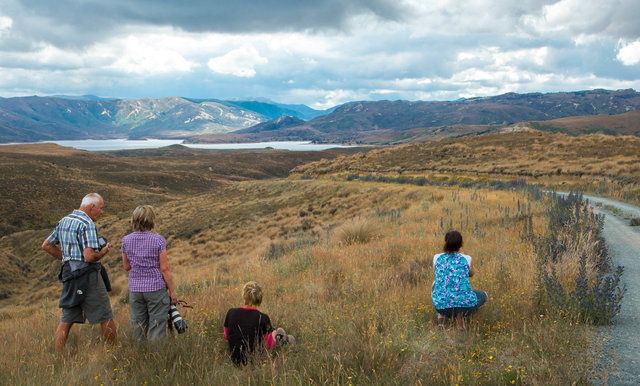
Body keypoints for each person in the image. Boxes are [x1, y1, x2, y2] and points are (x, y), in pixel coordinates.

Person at [41, 193, 118, 353]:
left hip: (69, 274)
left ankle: (58, 356)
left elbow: (47, 245)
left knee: (67, 318)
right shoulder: (87, 223)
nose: (102, 212)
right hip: (89, 276)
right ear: (92, 207)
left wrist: (67, 258)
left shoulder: (64, 221)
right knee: (105, 315)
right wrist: (103, 252)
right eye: (101, 208)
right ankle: (115, 353)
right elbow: (89, 256)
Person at [121, 205, 178, 342]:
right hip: (155, 288)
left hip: (135, 289)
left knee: (137, 326)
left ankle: (138, 356)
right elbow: (164, 269)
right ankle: (157, 359)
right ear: (151, 220)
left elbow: (126, 266)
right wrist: (172, 292)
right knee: (157, 325)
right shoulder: (158, 240)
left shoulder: (126, 240)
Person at [224, 281, 295, 366]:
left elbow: (227, 337)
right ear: (260, 299)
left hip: (235, 360)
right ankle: (290, 351)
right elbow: (268, 345)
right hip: (255, 361)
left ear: (243, 296)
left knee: (280, 332)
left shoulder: (231, 313)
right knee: (283, 333)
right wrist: (274, 334)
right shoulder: (263, 318)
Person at [431, 230, 487, 330]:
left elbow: (438, 276)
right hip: (465, 307)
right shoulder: (467, 258)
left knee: (435, 284)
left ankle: (441, 316)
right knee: (483, 295)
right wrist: (462, 255)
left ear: (445, 242)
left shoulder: (437, 258)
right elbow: (472, 274)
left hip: (441, 307)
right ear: (461, 244)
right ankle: (461, 317)